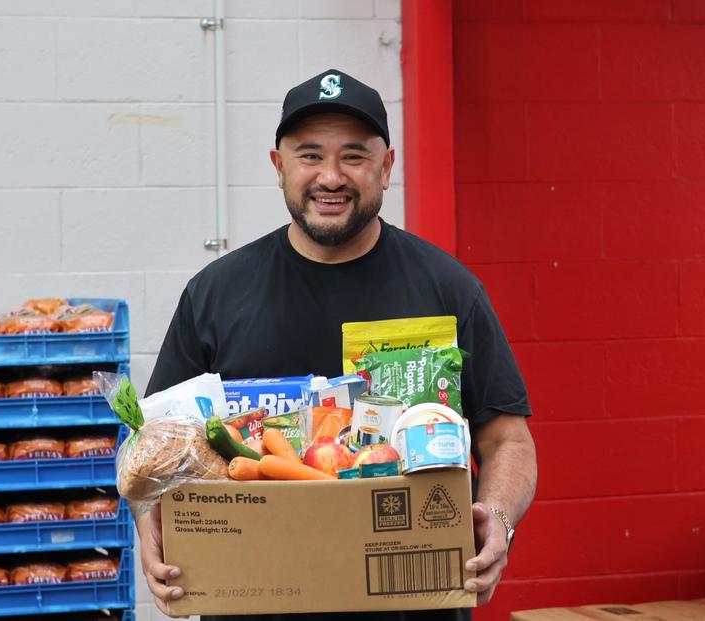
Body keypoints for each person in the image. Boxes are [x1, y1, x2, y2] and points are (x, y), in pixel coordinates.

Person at [139, 69, 538, 621]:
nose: (331, 177)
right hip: (254, 598)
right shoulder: (216, 294)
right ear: (279, 166)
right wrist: (149, 524)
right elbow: (157, 450)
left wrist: (498, 516)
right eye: (310, 155)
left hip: (411, 601)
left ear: (386, 167)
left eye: (353, 156)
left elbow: (508, 439)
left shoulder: (447, 289)